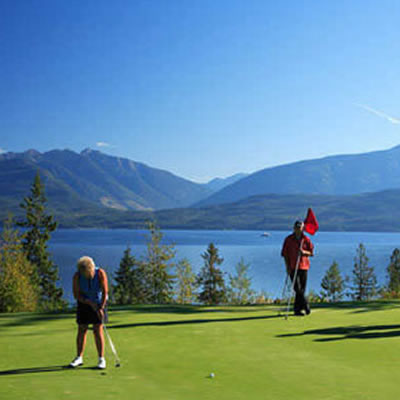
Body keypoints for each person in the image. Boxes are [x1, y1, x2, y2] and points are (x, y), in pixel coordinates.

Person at [69, 256, 109, 369]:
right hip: (84, 304)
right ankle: (79, 357)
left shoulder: (100, 273)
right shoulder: (77, 276)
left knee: (97, 330)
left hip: (99, 302)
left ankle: (101, 359)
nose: (85, 274)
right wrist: (89, 303)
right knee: (82, 329)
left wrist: (101, 307)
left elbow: (105, 292)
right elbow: (77, 295)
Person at [281, 220, 314, 316]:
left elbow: (311, 253)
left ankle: (297, 310)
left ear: (303, 228)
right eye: (297, 227)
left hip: (304, 266)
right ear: (294, 228)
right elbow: (284, 254)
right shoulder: (288, 239)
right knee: (297, 288)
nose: (298, 229)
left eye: (300, 228)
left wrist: (304, 252)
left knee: (302, 289)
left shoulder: (306, 239)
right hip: (292, 266)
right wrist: (287, 266)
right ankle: (306, 305)